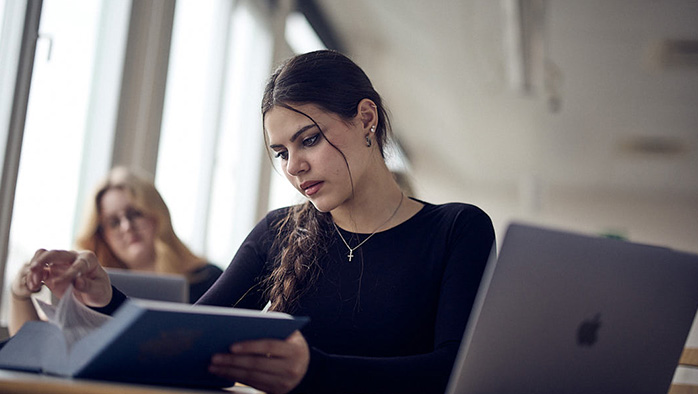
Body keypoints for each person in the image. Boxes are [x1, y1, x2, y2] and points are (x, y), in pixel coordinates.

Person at [18, 50, 495, 394]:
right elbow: (185, 338)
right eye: (281, 152)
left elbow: (456, 372)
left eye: (308, 140)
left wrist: (316, 373)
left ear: (365, 118)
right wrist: (104, 294)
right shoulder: (278, 232)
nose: (294, 166)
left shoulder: (457, 230)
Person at [9, 167, 222, 335]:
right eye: (113, 222)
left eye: (134, 213)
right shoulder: (92, 287)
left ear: (157, 215)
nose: (127, 227)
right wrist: (19, 294)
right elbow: (34, 344)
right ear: (102, 235)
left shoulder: (207, 279)